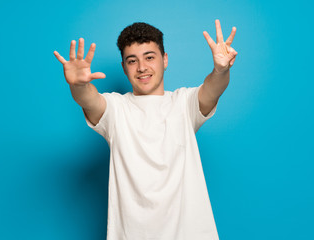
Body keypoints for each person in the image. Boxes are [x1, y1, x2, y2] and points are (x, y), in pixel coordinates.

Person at [54, 19, 237, 240]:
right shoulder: (116, 109)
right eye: (132, 61)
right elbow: (89, 100)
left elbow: (212, 89)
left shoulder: (184, 103)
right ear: (124, 67)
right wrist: (78, 85)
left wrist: (220, 70)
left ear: (165, 60)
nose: (142, 67)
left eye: (150, 57)